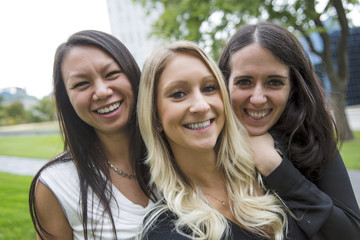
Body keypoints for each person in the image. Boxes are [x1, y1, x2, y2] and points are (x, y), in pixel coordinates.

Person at [137, 40, 307, 239]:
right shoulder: (163, 230)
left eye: (209, 88)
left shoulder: (273, 165)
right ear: (155, 117)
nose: (201, 106)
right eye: (178, 94)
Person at [218, 22, 360, 239]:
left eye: (274, 82)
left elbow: (350, 233)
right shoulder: (206, 150)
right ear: (225, 83)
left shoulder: (311, 138)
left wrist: (275, 167)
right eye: (244, 82)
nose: (257, 98)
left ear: (292, 87)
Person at [29, 30, 156, 240]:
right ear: (67, 100)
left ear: (132, 74)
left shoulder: (179, 154)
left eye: (111, 74)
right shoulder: (56, 184)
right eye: (81, 84)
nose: (102, 91)